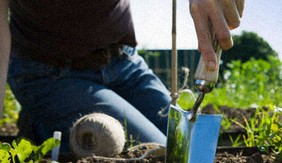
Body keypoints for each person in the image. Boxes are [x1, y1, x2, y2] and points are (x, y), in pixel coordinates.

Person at [0, 0, 244, 152]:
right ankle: (44, 126)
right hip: (48, 73)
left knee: (195, 146)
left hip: (124, 63)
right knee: (160, 152)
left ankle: (52, 119)